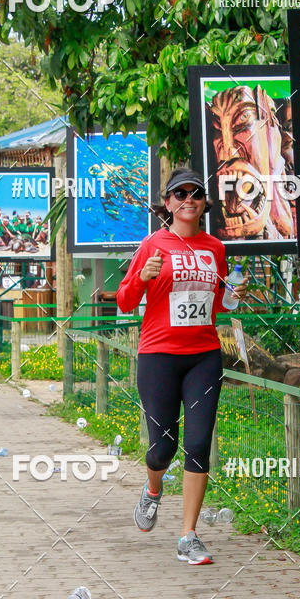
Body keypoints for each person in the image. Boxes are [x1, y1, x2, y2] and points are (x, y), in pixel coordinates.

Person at [117, 168, 248, 564]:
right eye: (180, 193)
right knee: (162, 449)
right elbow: (125, 301)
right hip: (158, 356)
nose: (188, 199)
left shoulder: (216, 248)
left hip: (204, 356)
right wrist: (142, 277)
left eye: (195, 193)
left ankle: (188, 535)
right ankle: (153, 487)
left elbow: (222, 303)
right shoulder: (152, 244)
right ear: (168, 203)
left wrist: (236, 295)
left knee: (197, 444)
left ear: (204, 203)